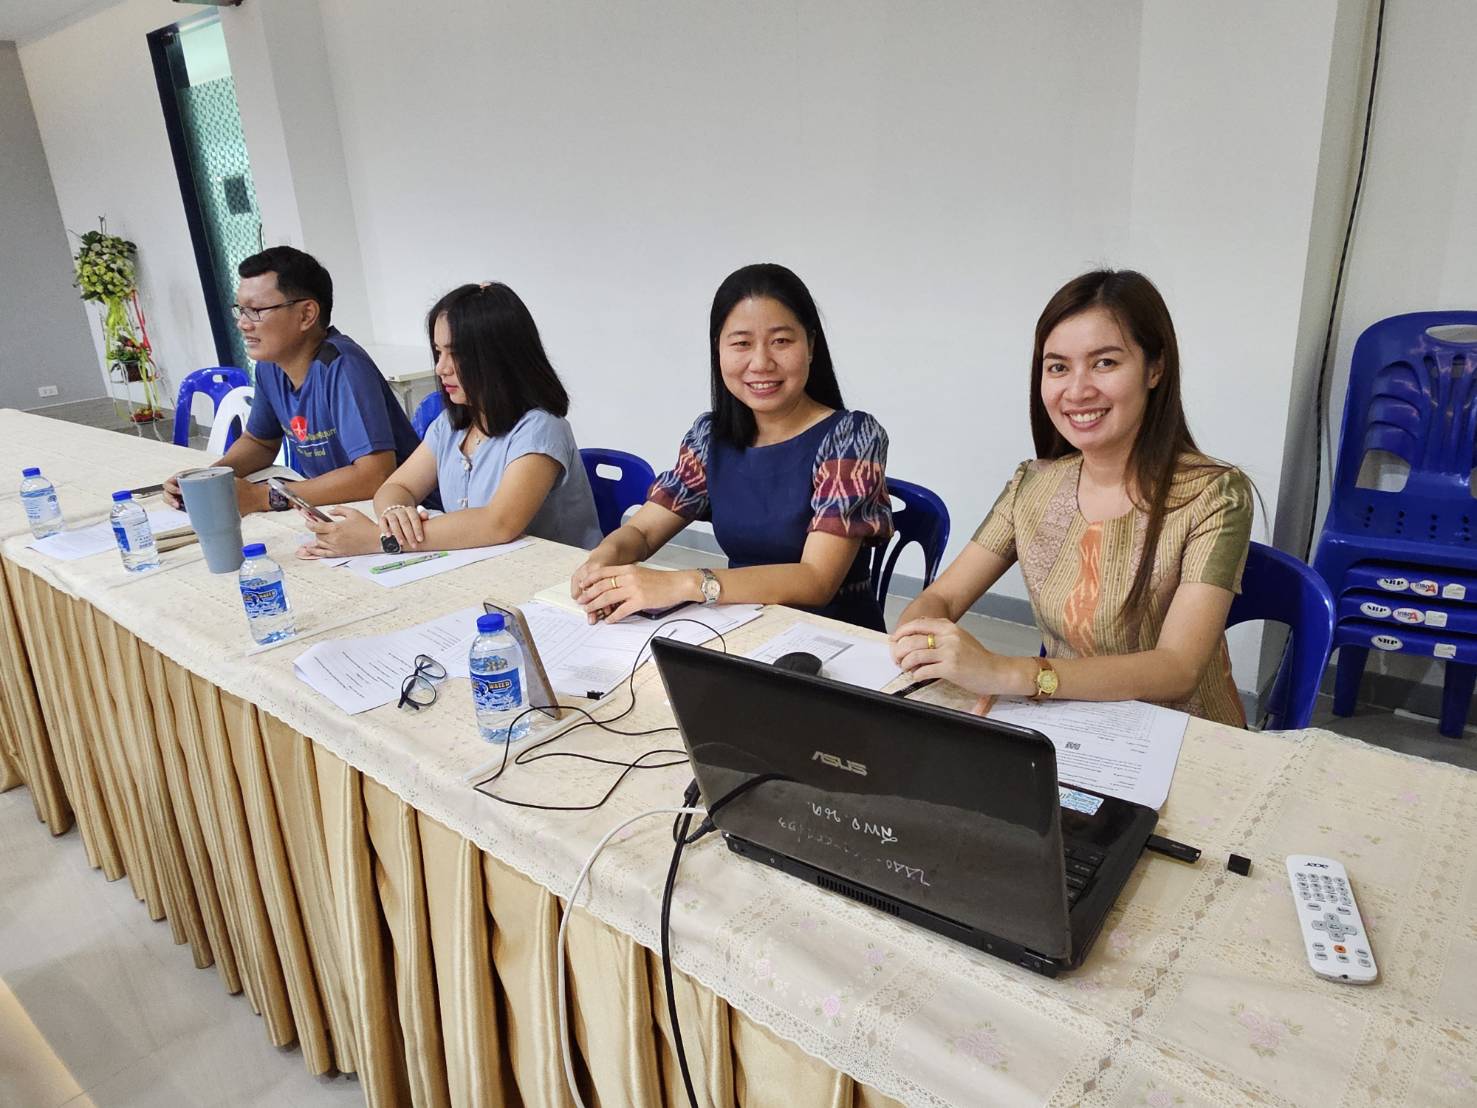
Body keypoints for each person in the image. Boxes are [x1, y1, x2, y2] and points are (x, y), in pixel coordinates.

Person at [890, 270, 1252, 726]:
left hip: (1184, 734)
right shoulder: (1032, 485)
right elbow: (942, 596)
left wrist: (1007, 671)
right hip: (1071, 725)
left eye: (1105, 363)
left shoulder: (1214, 494)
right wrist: (921, 637)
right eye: (1058, 367)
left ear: (1155, 368)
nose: (1077, 390)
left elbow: (1177, 668)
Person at [570, 263, 893, 630]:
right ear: (718, 351)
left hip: (834, 638)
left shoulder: (851, 437)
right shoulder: (710, 437)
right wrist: (604, 558)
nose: (761, 363)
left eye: (781, 342)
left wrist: (684, 583)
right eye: (741, 343)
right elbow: (643, 531)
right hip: (742, 627)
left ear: (811, 346)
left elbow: (816, 580)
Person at [297, 282, 601, 557]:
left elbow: (499, 523)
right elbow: (397, 486)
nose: (442, 368)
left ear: (499, 357)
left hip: (554, 582)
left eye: (456, 354)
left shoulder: (540, 428)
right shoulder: (450, 425)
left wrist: (380, 538)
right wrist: (394, 514)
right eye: (438, 352)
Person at [163, 246, 419, 515]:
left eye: (256, 310)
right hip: (341, 510)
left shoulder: (343, 367)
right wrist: (209, 480)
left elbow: (374, 477)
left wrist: (264, 497)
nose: (243, 324)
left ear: (306, 315)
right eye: (241, 310)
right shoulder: (270, 367)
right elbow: (260, 443)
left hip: (402, 514)